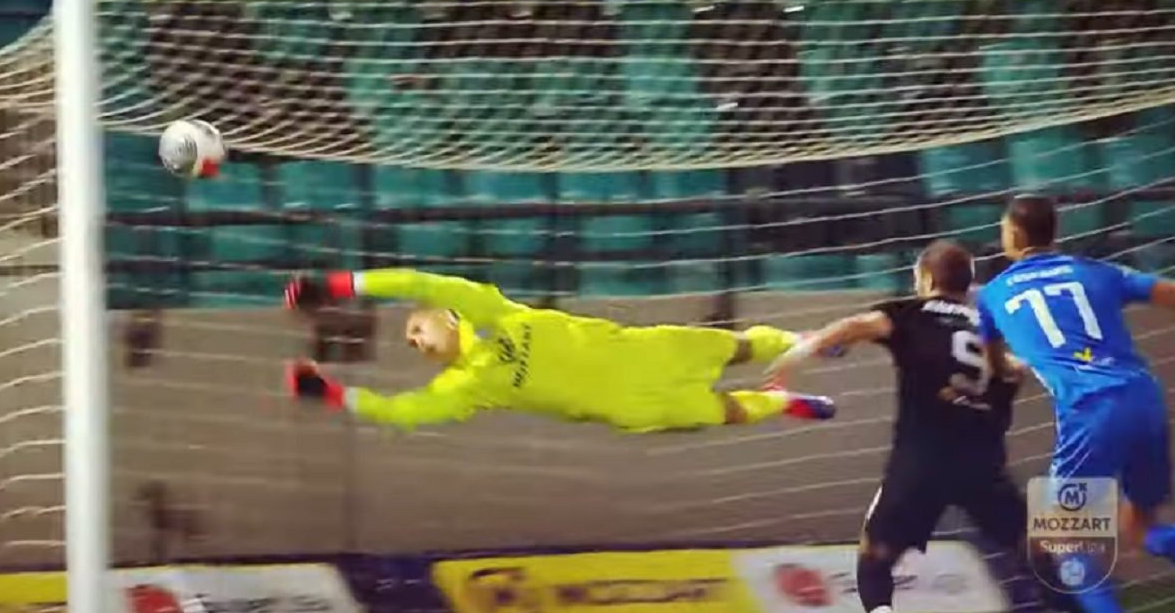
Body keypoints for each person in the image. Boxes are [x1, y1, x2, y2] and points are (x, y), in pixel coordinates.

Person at [765, 240, 1072, 613]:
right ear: (967, 284)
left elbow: (856, 325)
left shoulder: (911, 313)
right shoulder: (989, 331)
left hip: (922, 460)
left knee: (874, 560)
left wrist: (797, 353)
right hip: (982, 465)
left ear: (926, 279)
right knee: (1033, 551)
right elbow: (1012, 374)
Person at [281, 268, 836, 433]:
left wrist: (335, 285)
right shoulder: (464, 386)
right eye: (411, 344)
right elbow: (399, 411)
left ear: (448, 316)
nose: (416, 342)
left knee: (737, 348)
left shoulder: (489, 310)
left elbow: (414, 282)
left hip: (646, 352)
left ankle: (806, 343)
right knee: (728, 410)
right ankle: (780, 401)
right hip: (631, 407)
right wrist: (329, 393)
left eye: (418, 330)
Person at [977, 194, 1175, 612]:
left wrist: (1013, 367)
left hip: (1090, 411)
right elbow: (1167, 292)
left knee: (1064, 536)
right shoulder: (1097, 271)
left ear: (1013, 234)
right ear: (1055, 232)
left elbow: (994, 362)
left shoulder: (992, 294)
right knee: (1139, 527)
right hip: (1144, 398)